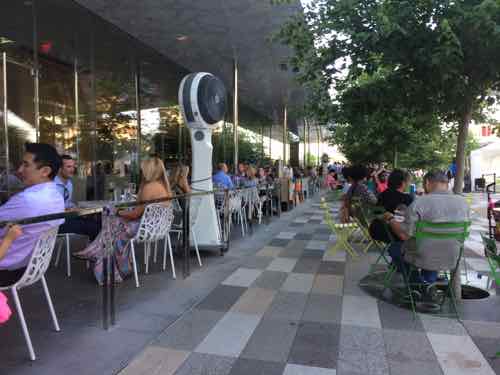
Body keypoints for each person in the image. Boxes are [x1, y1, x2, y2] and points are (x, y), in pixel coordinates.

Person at [76, 157, 172, 284]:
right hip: (156, 228)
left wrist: (118, 211)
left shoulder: (149, 187)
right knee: (114, 224)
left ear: (149, 170)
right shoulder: (163, 186)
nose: (141, 171)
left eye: (143, 169)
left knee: (112, 221)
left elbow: (135, 215)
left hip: (143, 228)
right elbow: (139, 213)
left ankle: (101, 259)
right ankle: (113, 262)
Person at [385, 170, 469, 288]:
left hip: (423, 256)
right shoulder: (463, 202)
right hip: (452, 255)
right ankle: (428, 282)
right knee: (431, 244)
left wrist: (391, 220)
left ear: (428, 183)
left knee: (394, 248)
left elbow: (404, 235)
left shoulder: (419, 203)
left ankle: (416, 284)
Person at [0, 143, 65, 286]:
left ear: (45, 171)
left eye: (26, 165)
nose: (19, 170)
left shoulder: (28, 200)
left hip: (7, 268)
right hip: (30, 266)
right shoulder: (57, 197)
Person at [56, 155, 100, 241]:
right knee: (93, 227)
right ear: (59, 168)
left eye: (73, 166)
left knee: (96, 222)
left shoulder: (69, 184)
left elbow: (68, 203)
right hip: (57, 223)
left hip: (68, 218)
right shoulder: (52, 186)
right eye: (68, 167)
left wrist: (76, 208)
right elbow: (53, 211)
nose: (72, 169)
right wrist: (71, 210)